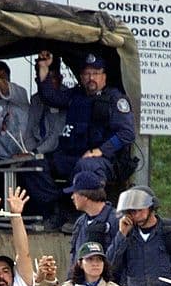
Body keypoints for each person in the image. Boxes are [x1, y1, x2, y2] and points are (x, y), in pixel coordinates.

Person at [29, 51, 135, 192]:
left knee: (86, 166)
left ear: (104, 76)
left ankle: (77, 205)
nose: (91, 78)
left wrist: (101, 150)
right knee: (34, 164)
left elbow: (127, 133)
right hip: (70, 156)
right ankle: (54, 204)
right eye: (87, 73)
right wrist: (43, 67)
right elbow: (50, 97)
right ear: (81, 76)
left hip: (101, 160)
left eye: (96, 73)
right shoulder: (76, 95)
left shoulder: (114, 99)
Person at [66, 172, 119, 264]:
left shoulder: (116, 220)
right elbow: (75, 257)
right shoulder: (80, 222)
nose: (72, 197)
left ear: (85, 196)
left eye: (75, 193)